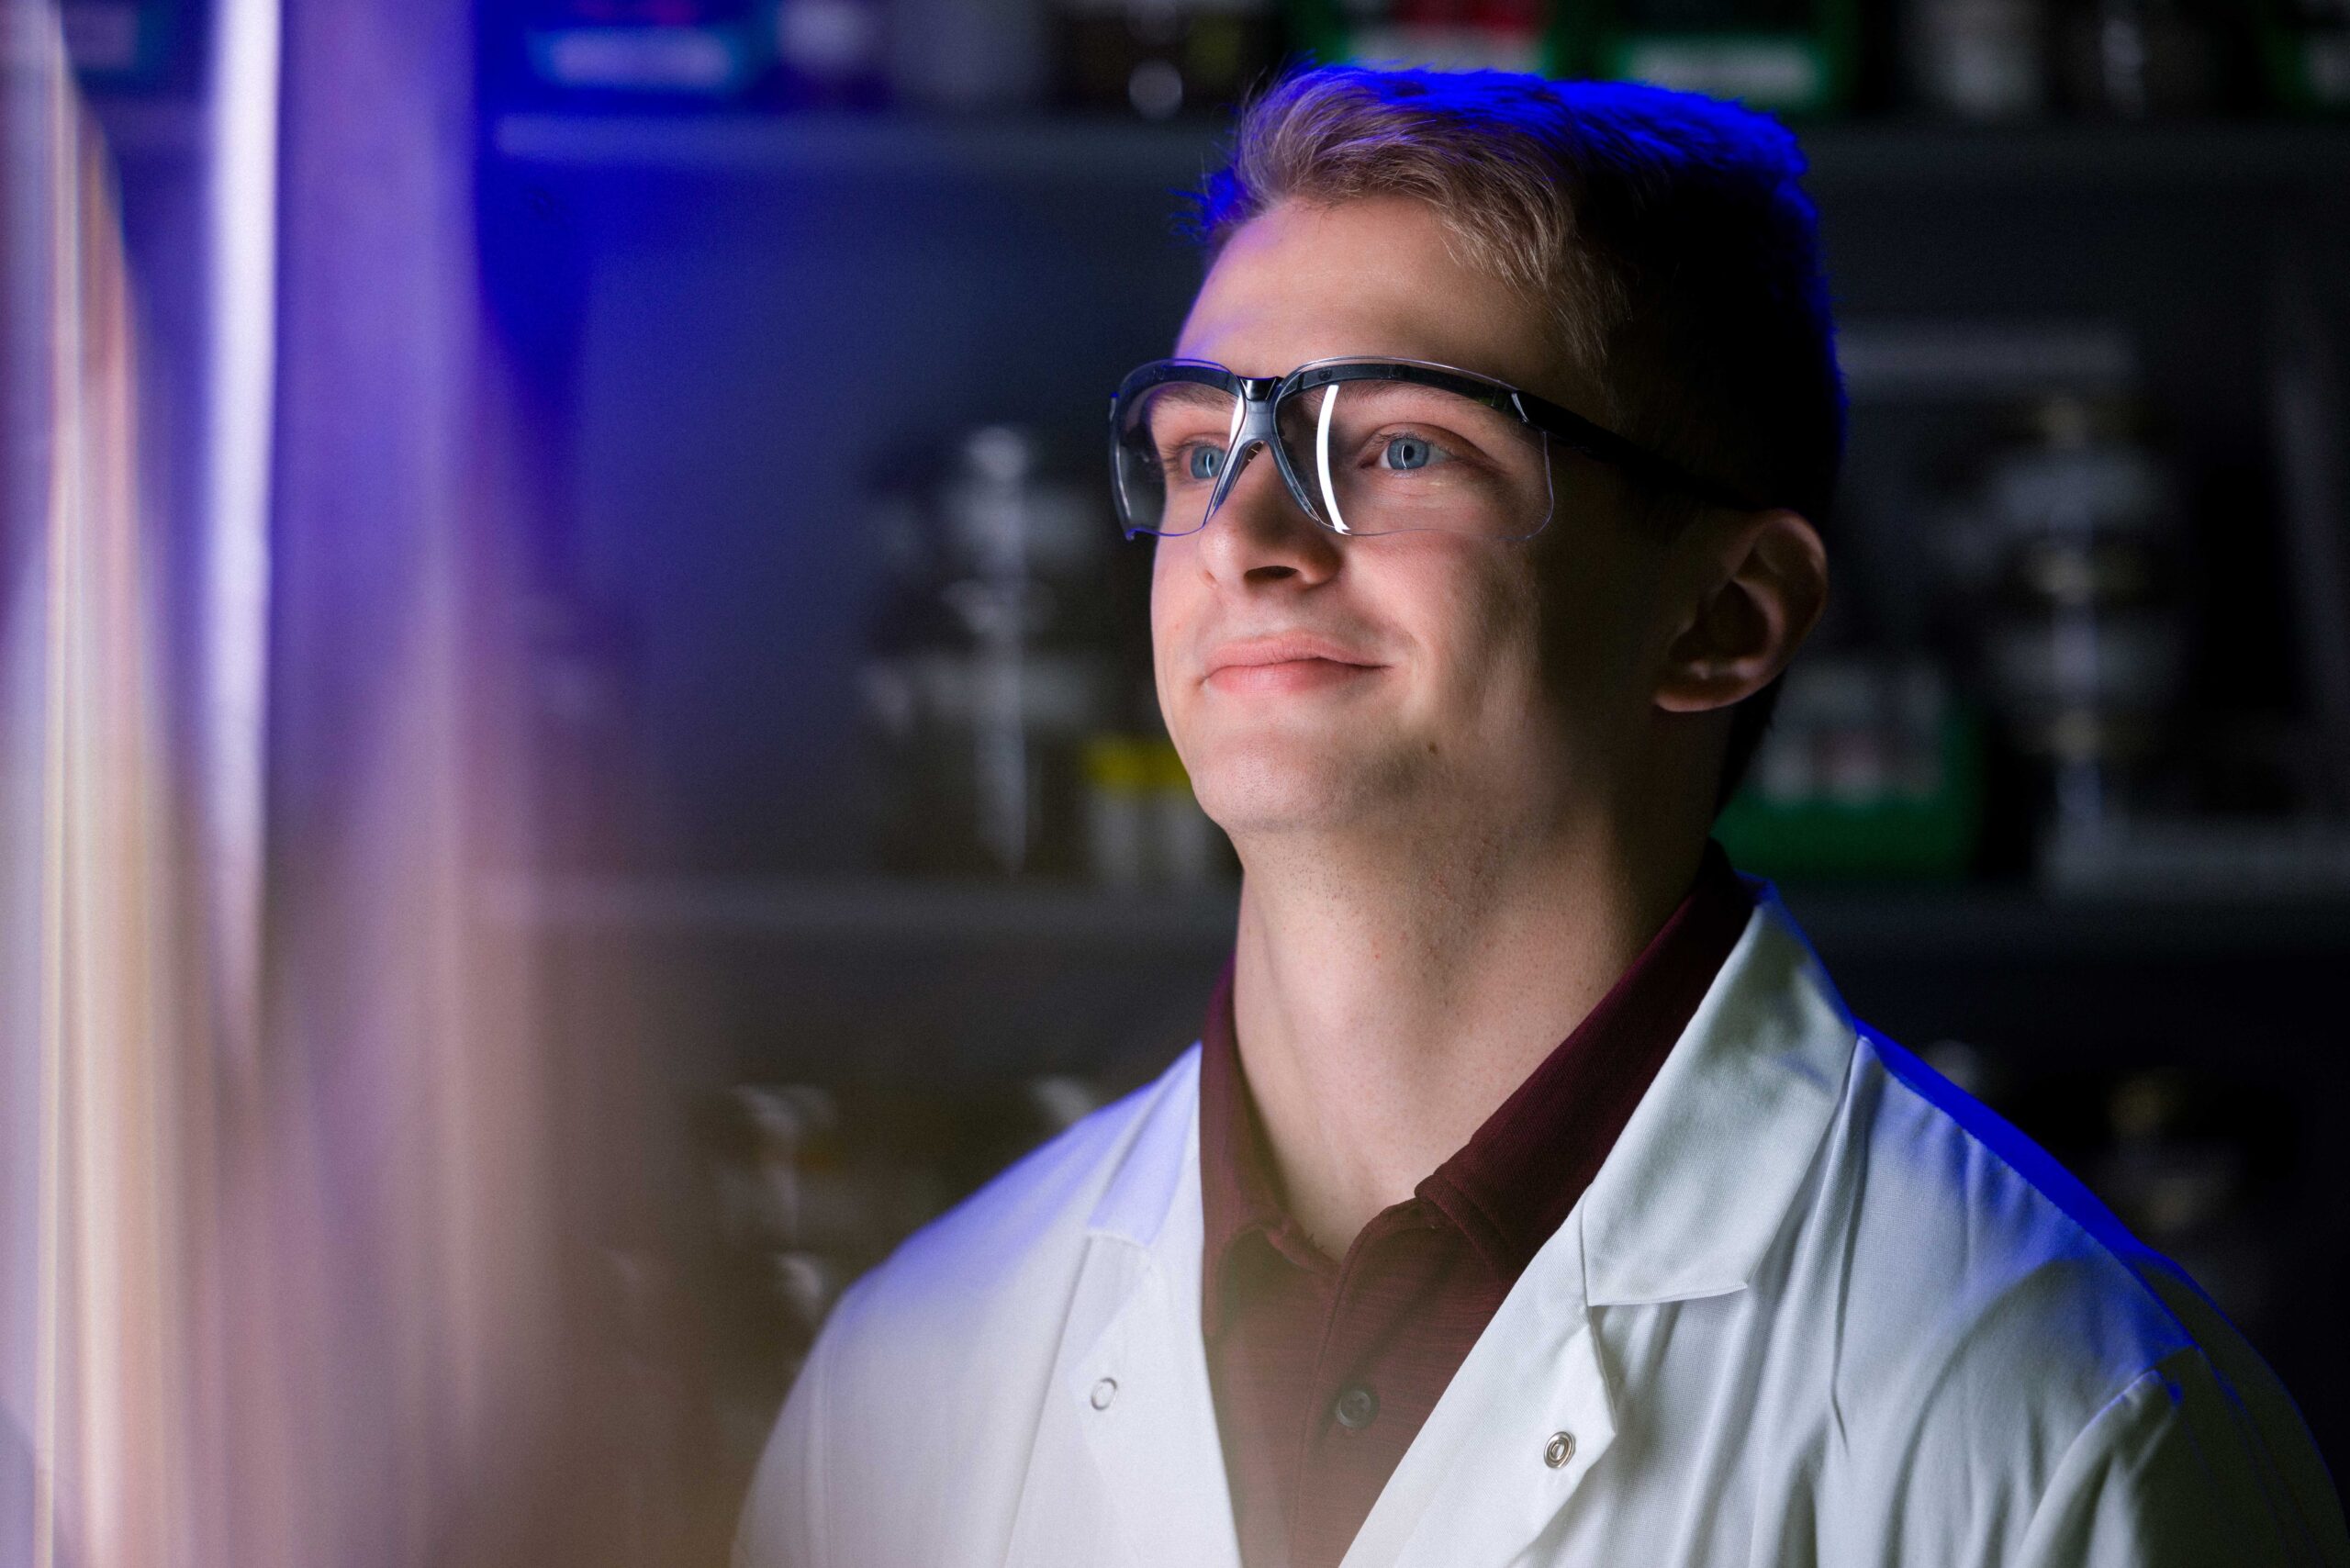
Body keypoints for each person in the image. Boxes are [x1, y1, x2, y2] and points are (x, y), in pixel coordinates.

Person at [734, 65, 2347, 1568]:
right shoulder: (913, 1372)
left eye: (1404, 446)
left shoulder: (2063, 1423)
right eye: (1201, 447)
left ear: (1723, 613)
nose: (1248, 537)